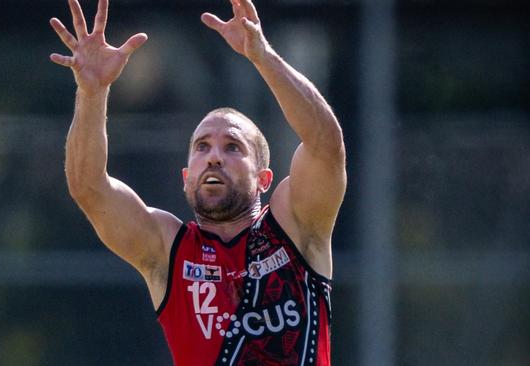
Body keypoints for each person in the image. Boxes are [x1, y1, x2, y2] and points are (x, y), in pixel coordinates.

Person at [50, 0, 346, 364]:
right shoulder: (168, 249)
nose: (215, 156)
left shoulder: (295, 227)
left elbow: (326, 146)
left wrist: (262, 55)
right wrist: (92, 92)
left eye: (233, 146)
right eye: (202, 146)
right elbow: (89, 188)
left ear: (264, 178)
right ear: (186, 178)